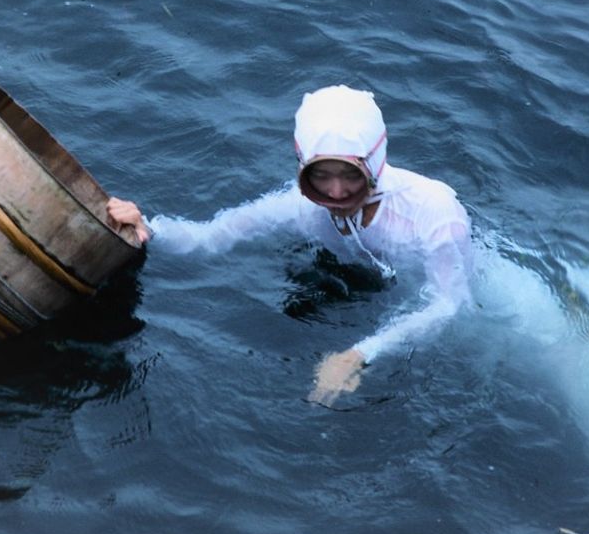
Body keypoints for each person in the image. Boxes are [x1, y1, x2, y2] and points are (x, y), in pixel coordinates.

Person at [106, 85, 473, 406]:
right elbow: (211, 238)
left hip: (486, 317)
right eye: (321, 175)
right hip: (386, 299)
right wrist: (146, 227)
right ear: (303, 167)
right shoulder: (302, 207)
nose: (335, 191)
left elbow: (448, 304)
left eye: (350, 175)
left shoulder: (433, 211)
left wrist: (361, 353)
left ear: (374, 163)